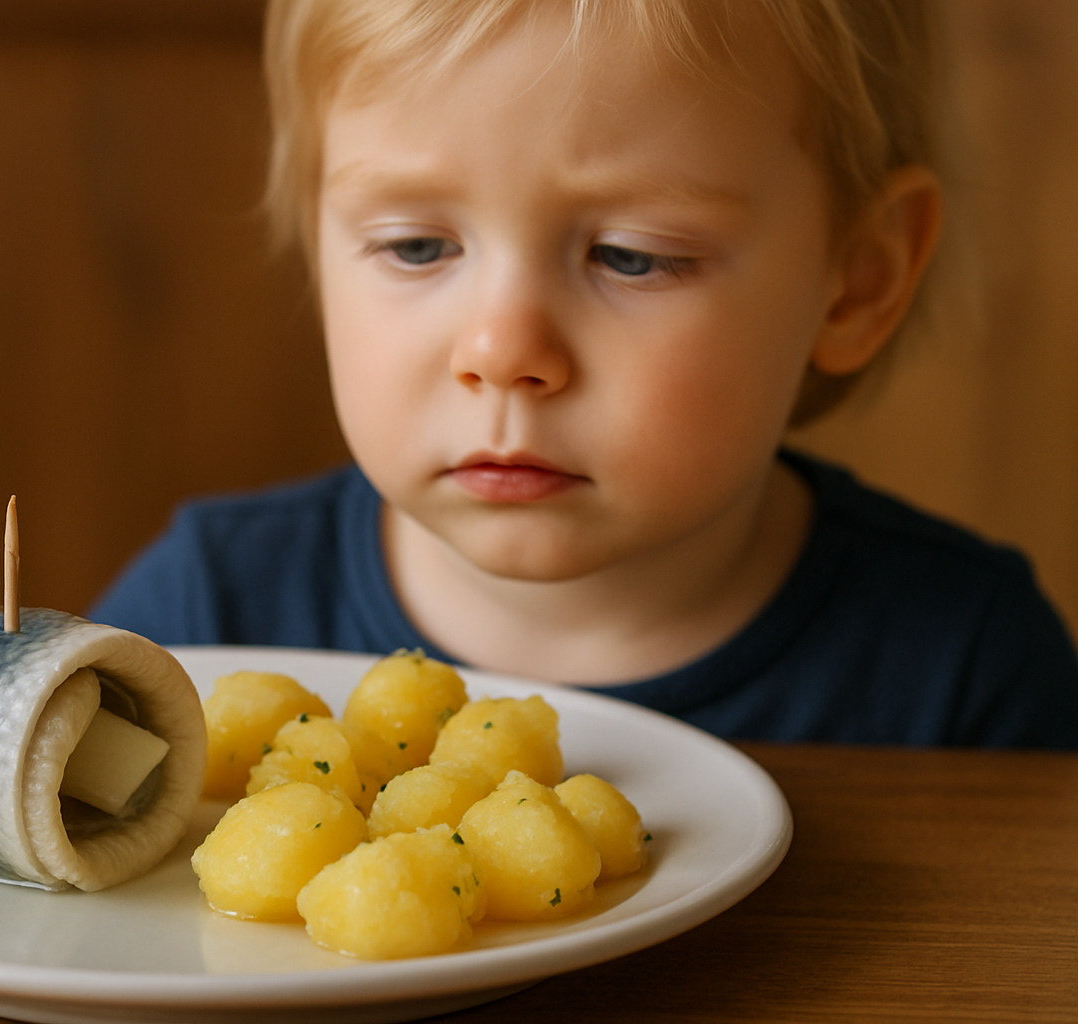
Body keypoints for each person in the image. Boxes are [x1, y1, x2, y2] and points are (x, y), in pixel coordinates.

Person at [91, 0, 1078, 747]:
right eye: (417, 246)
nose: (502, 352)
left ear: (856, 283)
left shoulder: (969, 674)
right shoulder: (201, 622)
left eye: (634, 257)